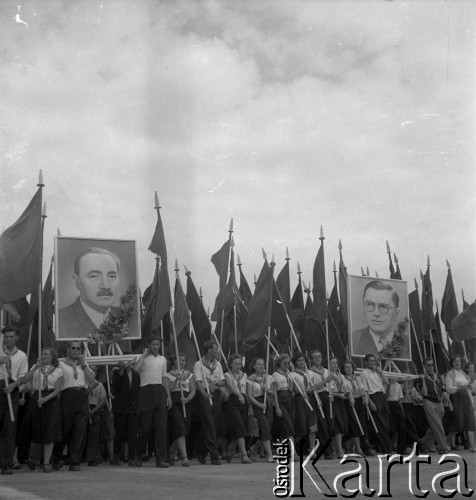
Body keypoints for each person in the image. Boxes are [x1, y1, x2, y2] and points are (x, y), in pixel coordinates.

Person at [11, 347, 62, 472]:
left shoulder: (58, 371)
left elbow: (57, 390)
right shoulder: (36, 367)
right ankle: (33, 458)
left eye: (46, 354)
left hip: (50, 399)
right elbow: (25, 380)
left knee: (50, 430)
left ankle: (46, 463)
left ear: (52, 357)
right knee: (36, 428)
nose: (43, 356)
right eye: (42, 353)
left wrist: (46, 399)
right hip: (36, 397)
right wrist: (35, 368)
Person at [58, 247, 122, 339]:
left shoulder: (126, 317)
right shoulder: (61, 318)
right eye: (94, 276)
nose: (106, 286)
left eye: (111, 276)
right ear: (77, 281)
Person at [53, 341, 96, 471]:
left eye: (78, 349)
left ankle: (75, 461)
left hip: (82, 395)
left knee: (80, 429)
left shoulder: (83, 364)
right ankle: (57, 457)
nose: (76, 351)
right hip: (67, 395)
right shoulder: (61, 363)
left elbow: (92, 379)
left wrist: (84, 365)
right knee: (65, 429)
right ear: (68, 349)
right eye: (73, 348)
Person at [133, 335, 172, 468]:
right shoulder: (143, 358)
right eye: (153, 344)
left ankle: (161, 459)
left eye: (157, 344)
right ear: (148, 345)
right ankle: (138, 454)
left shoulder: (162, 359)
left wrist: (168, 396)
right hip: (145, 392)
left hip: (159, 391)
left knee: (161, 427)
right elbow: (135, 370)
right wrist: (144, 355)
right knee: (145, 428)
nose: (156, 347)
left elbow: (164, 377)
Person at [352, 281, 409, 359]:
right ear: (363, 308)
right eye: (370, 305)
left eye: (383, 307)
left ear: (397, 313)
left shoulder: (407, 343)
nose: (376, 313)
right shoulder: (353, 340)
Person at [1, 325, 29, 475]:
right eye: (6, 336)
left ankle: (5, 463)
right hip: (0, 385)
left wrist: (14, 385)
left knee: (10, 427)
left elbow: (23, 376)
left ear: (17, 337)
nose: (8, 339)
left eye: (11, 336)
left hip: (12, 389)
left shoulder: (21, 356)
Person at [193, 340, 225, 465]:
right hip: (204, 395)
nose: (217, 351)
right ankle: (214, 455)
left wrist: (214, 383)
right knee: (209, 424)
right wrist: (204, 393)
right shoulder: (198, 364)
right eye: (215, 349)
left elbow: (222, 381)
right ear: (209, 350)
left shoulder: (218, 364)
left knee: (215, 425)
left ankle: (201, 451)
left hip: (216, 394)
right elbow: (198, 381)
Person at [165, 352, 196, 467]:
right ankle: (184, 457)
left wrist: (187, 399)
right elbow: (169, 389)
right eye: (179, 360)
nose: (181, 362)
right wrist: (176, 379)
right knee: (180, 427)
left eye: (183, 360)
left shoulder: (189, 374)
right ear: (175, 361)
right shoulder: (168, 375)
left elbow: (193, 390)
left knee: (184, 429)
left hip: (186, 401)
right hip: (174, 402)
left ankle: (172, 451)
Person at [359, 354, 392, 454]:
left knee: (386, 423)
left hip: (381, 396)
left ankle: (380, 446)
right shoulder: (364, 373)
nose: (373, 363)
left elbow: (387, 383)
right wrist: (370, 402)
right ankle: (387, 449)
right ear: (366, 362)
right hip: (373, 397)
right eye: (370, 361)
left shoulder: (378, 372)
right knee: (379, 424)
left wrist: (381, 373)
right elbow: (364, 390)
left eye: (374, 361)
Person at [223, 354, 253, 464]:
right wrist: (239, 395)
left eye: (239, 363)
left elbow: (248, 390)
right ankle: (244, 455)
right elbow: (231, 386)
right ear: (230, 364)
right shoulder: (227, 375)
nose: (238, 366)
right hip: (233, 401)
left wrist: (249, 404)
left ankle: (230, 448)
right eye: (236, 363)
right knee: (239, 426)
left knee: (242, 427)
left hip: (244, 401)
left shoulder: (245, 375)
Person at [85, 366, 117, 467]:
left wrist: (94, 410)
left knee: (97, 434)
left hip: (96, 410)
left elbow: (103, 400)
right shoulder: (83, 384)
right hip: (84, 409)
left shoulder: (100, 385)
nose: (93, 372)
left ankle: (95, 457)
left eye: (95, 370)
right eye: (91, 370)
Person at [246, 357, 276, 463]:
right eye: (259, 364)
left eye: (262, 364)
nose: (261, 366)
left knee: (267, 427)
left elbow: (273, 392)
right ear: (254, 366)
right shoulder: (249, 379)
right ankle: (270, 455)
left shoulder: (268, 377)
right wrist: (259, 404)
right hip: (257, 404)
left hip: (267, 402)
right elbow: (249, 395)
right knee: (266, 427)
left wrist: (268, 390)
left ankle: (253, 448)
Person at [111, 359, 140, 465]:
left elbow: (137, 391)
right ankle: (116, 456)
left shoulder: (136, 374)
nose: (126, 363)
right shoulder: (117, 372)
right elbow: (115, 387)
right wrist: (121, 371)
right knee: (120, 433)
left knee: (132, 434)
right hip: (120, 408)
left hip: (132, 408)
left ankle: (131, 458)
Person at [419, 357, 450, 454]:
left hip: (439, 402)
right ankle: (443, 448)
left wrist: (449, 401)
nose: (431, 367)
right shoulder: (421, 377)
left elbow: (442, 390)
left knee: (434, 426)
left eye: (432, 365)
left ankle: (423, 442)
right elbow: (424, 393)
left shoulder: (438, 376)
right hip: (428, 402)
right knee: (438, 425)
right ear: (424, 366)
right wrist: (423, 380)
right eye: (428, 365)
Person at [445, 355, 476, 452]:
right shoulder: (450, 374)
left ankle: (472, 446)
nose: (457, 363)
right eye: (455, 361)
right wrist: (460, 388)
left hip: (466, 398)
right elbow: (449, 389)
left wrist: (471, 383)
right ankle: (446, 443)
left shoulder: (463, 373)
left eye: (459, 361)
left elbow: (470, 387)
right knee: (458, 422)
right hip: (456, 398)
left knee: (470, 421)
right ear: (452, 363)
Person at [308, 350, 335, 459]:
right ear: (311, 359)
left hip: (327, 397)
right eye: (315, 357)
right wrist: (324, 382)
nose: (317, 359)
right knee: (322, 424)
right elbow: (312, 388)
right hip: (317, 397)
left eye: (319, 356)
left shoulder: (326, 371)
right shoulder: (310, 372)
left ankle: (327, 448)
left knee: (331, 424)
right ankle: (327, 451)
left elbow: (331, 386)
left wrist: (331, 394)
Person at [290, 352, 317, 457]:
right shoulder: (292, 374)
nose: (301, 362)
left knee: (313, 425)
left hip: (310, 399)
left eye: (303, 360)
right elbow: (295, 390)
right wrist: (303, 390)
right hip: (300, 400)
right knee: (302, 427)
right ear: (295, 363)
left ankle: (312, 450)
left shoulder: (310, 373)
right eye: (299, 361)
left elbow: (313, 387)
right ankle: (292, 447)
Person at [341, 360, 367, 456]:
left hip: (359, 402)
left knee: (360, 424)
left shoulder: (357, 378)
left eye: (350, 367)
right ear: (343, 369)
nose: (348, 369)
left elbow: (362, 390)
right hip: (350, 403)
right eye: (346, 367)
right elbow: (347, 391)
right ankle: (357, 448)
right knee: (354, 424)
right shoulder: (343, 379)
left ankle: (354, 446)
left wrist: (363, 395)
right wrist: (354, 395)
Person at [328, 357, 348, 458]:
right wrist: (339, 395)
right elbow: (329, 390)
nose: (335, 365)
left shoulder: (341, 376)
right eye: (332, 363)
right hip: (333, 401)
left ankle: (336, 448)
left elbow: (345, 388)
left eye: (336, 363)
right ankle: (339, 450)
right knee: (336, 425)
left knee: (342, 424)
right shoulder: (328, 375)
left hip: (341, 400)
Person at [272, 354, 295, 444]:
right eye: (284, 363)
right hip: (281, 399)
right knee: (287, 425)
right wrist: (277, 407)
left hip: (290, 399)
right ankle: (294, 452)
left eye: (288, 363)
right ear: (279, 364)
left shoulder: (289, 374)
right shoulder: (275, 375)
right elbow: (275, 393)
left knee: (290, 424)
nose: (287, 365)